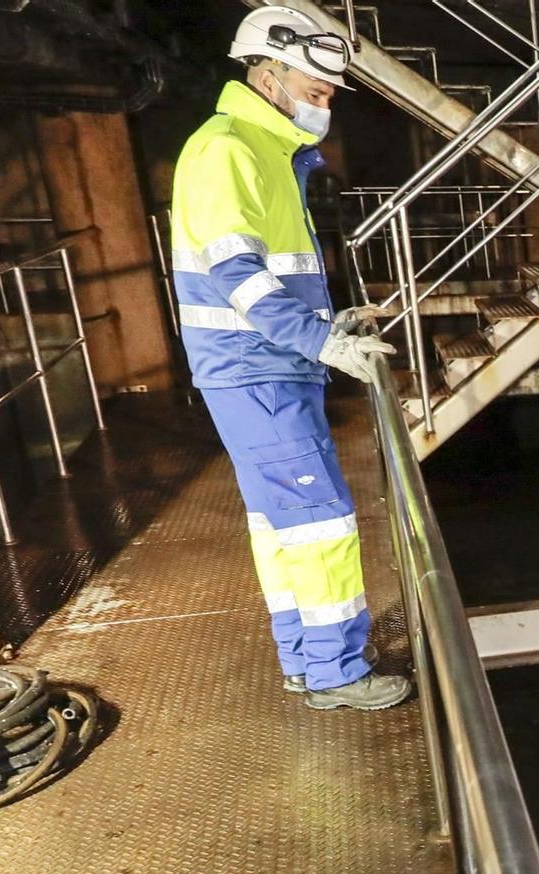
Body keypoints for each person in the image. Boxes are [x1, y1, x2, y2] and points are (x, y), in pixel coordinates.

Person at [170, 6, 407, 710]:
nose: (325, 104)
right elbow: (238, 280)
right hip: (254, 369)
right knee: (322, 520)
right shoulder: (228, 149)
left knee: (282, 525)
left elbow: (274, 277)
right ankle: (338, 673)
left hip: (268, 365)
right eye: (318, 90)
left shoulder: (265, 151)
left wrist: (331, 322)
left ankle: (305, 659)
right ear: (268, 74)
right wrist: (324, 343)